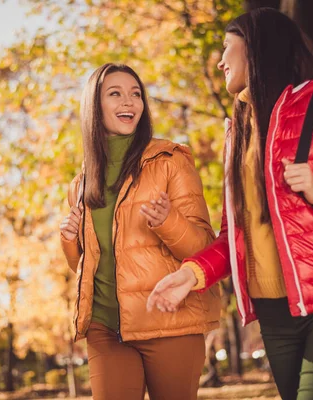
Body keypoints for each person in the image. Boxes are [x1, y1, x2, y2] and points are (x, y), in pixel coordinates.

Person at [147, 8, 313, 400]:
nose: (219, 61)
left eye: (226, 48)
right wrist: (190, 275)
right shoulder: (237, 131)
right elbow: (233, 236)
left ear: (253, 47)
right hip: (272, 317)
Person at [60, 63, 221, 400]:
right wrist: (68, 239)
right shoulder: (82, 182)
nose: (128, 102)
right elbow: (85, 268)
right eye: (115, 94)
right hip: (105, 327)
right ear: (94, 105)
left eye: (135, 94)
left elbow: (204, 249)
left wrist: (168, 221)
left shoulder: (170, 160)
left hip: (167, 320)